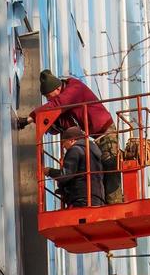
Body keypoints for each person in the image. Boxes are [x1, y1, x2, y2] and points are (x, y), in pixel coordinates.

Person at [18, 70, 123, 203]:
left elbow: (57, 104)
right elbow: (65, 122)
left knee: (110, 167)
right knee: (98, 168)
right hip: (97, 135)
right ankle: (103, 201)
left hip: (106, 132)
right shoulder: (67, 95)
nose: (49, 100)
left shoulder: (74, 88)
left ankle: (115, 203)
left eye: (49, 96)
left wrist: (30, 118)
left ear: (57, 88)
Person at [46, 126, 105, 208]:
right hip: (97, 198)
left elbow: (65, 175)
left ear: (72, 140)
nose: (63, 146)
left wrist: (49, 171)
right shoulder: (92, 150)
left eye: (64, 142)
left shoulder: (75, 150)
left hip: (81, 198)